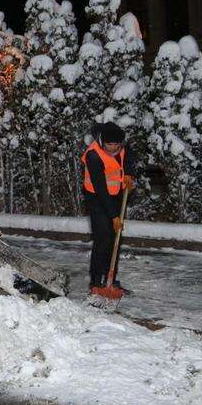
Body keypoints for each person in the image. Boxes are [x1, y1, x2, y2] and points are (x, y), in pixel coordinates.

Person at [81, 121, 136, 292]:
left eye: (116, 145)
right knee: (102, 238)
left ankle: (110, 279)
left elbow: (129, 155)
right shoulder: (93, 156)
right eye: (109, 144)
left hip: (117, 195)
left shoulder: (122, 147)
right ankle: (97, 282)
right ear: (102, 141)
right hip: (97, 197)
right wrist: (113, 216)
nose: (113, 148)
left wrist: (128, 172)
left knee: (115, 239)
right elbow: (101, 189)